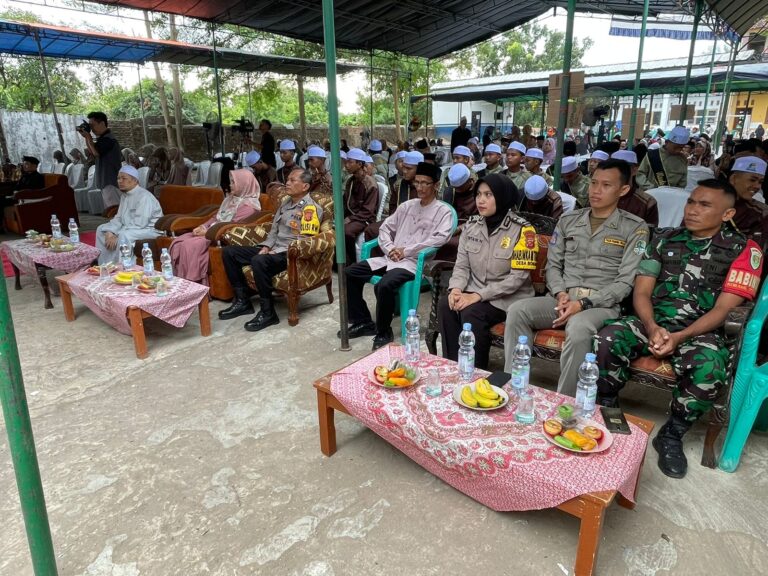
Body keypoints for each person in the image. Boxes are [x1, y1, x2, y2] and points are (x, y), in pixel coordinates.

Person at [594, 179, 763, 478]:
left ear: (727, 214)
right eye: (691, 202)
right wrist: (652, 325)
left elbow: (724, 310)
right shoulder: (664, 239)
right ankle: (607, 407)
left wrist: (680, 336)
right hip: (652, 322)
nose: (693, 210)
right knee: (607, 338)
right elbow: (642, 292)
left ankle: (671, 435)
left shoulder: (744, 251)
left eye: (704, 205)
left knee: (710, 367)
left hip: (700, 331)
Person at [503, 159, 649, 395]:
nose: (596, 190)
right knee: (517, 310)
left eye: (606, 185)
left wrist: (582, 304)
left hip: (601, 305)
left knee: (579, 327)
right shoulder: (569, 220)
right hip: (562, 299)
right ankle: (514, 385)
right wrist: (561, 293)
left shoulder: (635, 228)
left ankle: (565, 402)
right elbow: (553, 265)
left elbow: (625, 282)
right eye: (593, 183)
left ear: (623, 190)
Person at [342, 162, 454, 350]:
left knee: (385, 285)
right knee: (350, 273)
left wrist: (406, 251)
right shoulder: (407, 206)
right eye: (417, 182)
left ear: (436, 185)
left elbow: (438, 240)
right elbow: (386, 228)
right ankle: (363, 322)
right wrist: (390, 248)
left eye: (425, 183)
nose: (420, 187)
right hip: (390, 257)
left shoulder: (443, 211)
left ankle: (384, 331)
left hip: (412, 263)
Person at [440, 174, 535, 369]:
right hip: (475, 290)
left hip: (508, 298)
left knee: (473, 312)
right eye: (479, 194)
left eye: (488, 195)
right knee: (446, 305)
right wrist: (456, 289)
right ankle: (453, 367)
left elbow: (517, 279)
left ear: (502, 197)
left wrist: (478, 295)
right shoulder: (471, 226)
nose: (481, 200)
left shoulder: (524, 231)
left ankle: (476, 373)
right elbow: (462, 266)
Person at [219, 169, 322, 331]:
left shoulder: (310, 209)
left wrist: (278, 250)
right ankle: (242, 301)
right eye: (287, 179)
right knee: (229, 252)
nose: (287, 183)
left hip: (290, 254)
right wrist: (267, 246)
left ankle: (268, 313)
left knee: (258, 260)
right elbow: (274, 230)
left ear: (305, 186)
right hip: (273, 249)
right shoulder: (286, 203)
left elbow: (305, 241)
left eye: (292, 180)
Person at [170, 169, 261, 284]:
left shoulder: (249, 205)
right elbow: (216, 217)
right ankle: (180, 280)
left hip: (220, 236)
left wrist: (207, 232)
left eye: (234, 182)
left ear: (244, 184)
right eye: (231, 182)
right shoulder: (229, 199)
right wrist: (203, 226)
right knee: (179, 241)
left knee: (190, 245)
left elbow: (232, 225)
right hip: (211, 231)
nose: (230, 185)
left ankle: (193, 284)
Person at [95, 165, 163, 265]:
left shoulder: (144, 196)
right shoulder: (125, 195)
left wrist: (116, 235)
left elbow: (140, 224)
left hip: (149, 230)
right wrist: (111, 231)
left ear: (135, 181)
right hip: (131, 228)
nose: (120, 181)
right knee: (101, 229)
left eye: (124, 178)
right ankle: (105, 265)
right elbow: (119, 218)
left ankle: (123, 267)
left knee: (124, 235)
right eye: (118, 178)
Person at [365, 150, 422, 241]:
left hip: (417, 225)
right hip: (397, 221)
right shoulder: (398, 185)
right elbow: (392, 207)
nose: (404, 171)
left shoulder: (426, 187)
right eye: (404, 167)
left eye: (409, 168)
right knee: (371, 230)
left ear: (419, 169)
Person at [343, 148, 379, 263]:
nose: (346, 165)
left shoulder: (370, 184)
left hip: (365, 219)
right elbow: (346, 202)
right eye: (346, 162)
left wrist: (350, 218)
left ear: (359, 164)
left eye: (350, 162)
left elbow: (368, 211)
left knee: (346, 232)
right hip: (353, 217)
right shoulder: (351, 181)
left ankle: (352, 261)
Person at [611, 150, 659, 227]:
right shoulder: (598, 195)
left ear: (635, 170)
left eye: (623, 167)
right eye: (613, 167)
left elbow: (648, 233)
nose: (617, 171)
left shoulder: (647, 202)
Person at [728, 156, 768, 246]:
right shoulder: (713, 204)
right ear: (733, 179)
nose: (757, 186)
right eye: (752, 180)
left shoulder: (761, 212)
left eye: (760, 182)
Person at [78, 111, 121, 191]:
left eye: (92, 125)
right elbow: (92, 152)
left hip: (110, 182)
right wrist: (86, 137)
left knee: (114, 204)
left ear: (102, 124)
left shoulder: (109, 139)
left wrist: (89, 137)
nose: (92, 129)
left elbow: (96, 153)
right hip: (105, 181)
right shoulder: (103, 138)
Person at [636, 125, 689, 190]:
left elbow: (682, 183)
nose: (678, 150)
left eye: (681, 148)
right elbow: (640, 175)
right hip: (649, 194)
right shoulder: (652, 155)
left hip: (671, 197)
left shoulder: (682, 160)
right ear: (667, 142)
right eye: (675, 147)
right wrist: (651, 188)